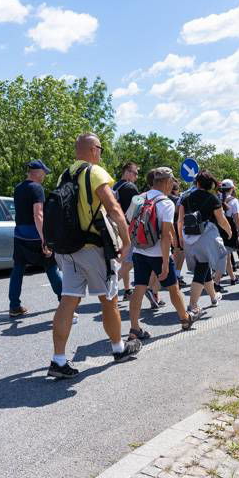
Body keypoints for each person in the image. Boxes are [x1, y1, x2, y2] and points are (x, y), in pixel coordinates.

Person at [48, 133, 139, 379]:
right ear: (93, 150)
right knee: (108, 300)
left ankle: (58, 359)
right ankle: (119, 348)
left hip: (68, 250)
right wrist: (126, 240)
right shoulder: (95, 172)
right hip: (94, 248)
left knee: (68, 301)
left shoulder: (64, 175)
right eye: (100, 148)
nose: (100, 152)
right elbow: (114, 208)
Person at [127, 167, 198, 340]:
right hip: (158, 254)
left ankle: (134, 328)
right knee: (173, 287)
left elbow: (129, 219)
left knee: (139, 288)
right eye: (172, 181)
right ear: (167, 182)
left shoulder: (139, 198)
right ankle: (185, 318)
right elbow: (165, 235)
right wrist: (166, 263)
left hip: (139, 250)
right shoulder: (166, 203)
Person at [8, 159, 64, 318]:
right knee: (51, 267)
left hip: (19, 234)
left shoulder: (18, 188)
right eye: (44, 172)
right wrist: (45, 239)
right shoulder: (37, 188)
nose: (45, 175)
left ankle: (14, 306)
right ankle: (64, 301)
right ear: (37, 172)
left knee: (18, 269)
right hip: (35, 236)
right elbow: (38, 214)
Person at [177, 170, 232, 314]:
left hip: (189, 237)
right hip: (206, 238)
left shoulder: (186, 197)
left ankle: (214, 297)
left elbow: (180, 220)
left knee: (204, 267)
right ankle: (192, 305)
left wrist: (180, 238)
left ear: (197, 182)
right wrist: (229, 231)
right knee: (202, 268)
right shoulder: (212, 198)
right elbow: (221, 219)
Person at [113, 162, 140, 301]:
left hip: (116, 227)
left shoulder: (115, 186)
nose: (136, 176)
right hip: (129, 228)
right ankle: (111, 286)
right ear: (128, 172)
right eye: (135, 173)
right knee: (129, 262)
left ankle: (127, 290)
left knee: (125, 260)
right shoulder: (130, 187)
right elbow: (138, 209)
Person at [216, 179, 239, 288]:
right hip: (229, 229)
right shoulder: (234, 201)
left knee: (226, 255)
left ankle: (232, 278)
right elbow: (236, 218)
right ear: (231, 189)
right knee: (225, 255)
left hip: (218, 228)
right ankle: (216, 281)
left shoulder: (217, 199)